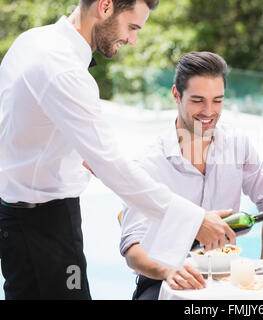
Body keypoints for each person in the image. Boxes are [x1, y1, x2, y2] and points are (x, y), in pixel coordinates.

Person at [0, 0, 234, 300]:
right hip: (48, 225)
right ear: (106, 6)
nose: (132, 40)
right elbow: (112, 165)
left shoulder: (31, 41)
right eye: (132, 27)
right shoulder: (65, 70)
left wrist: (78, 156)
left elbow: (25, 130)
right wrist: (195, 220)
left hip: (14, 218)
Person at [119, 51, 263, 300]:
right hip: (165, 278)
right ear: (176, 95)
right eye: (197, 100)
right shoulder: (148, 162)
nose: (209, 111)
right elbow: (132, 249)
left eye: (217, 100)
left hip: (227, 276)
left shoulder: (238, 145)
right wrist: (169, 270)